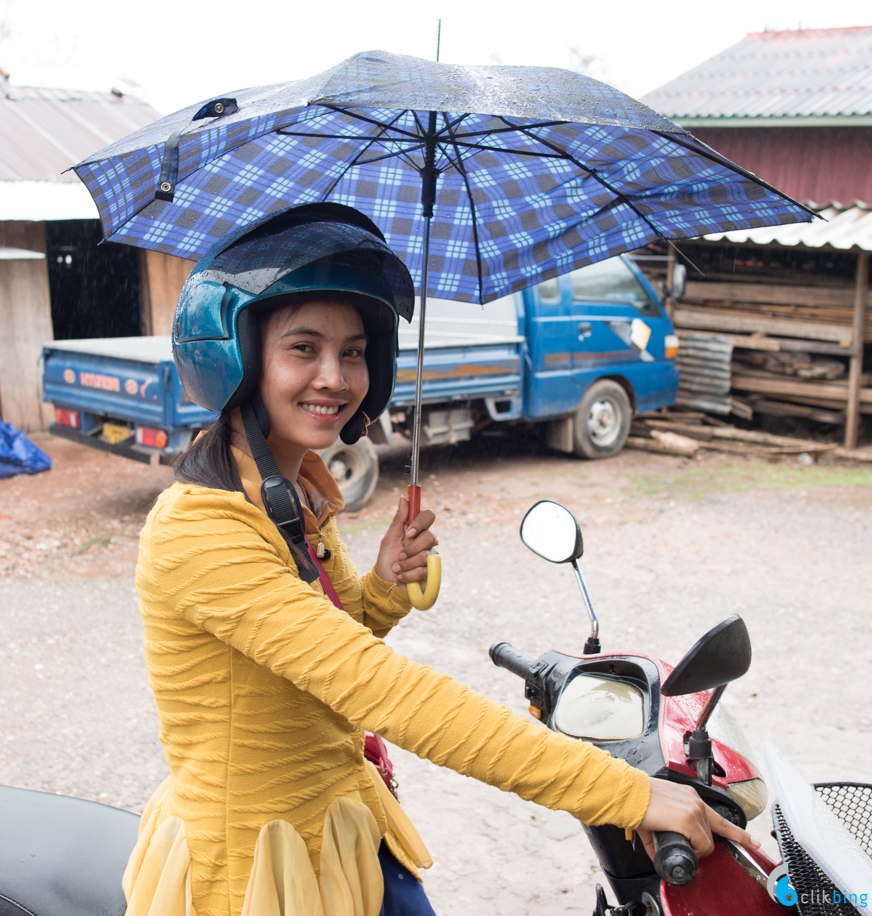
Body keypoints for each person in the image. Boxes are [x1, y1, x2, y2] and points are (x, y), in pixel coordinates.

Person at [123, 203, 758, 916]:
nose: (334, 377)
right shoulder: (203, 530)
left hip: (342, 823)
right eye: (303, 348)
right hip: (259, 868)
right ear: (235, 358)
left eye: (355, 351)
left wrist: (382, 589)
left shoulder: (291, 492)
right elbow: (380, 690)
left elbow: (311, 652)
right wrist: (624, 791)